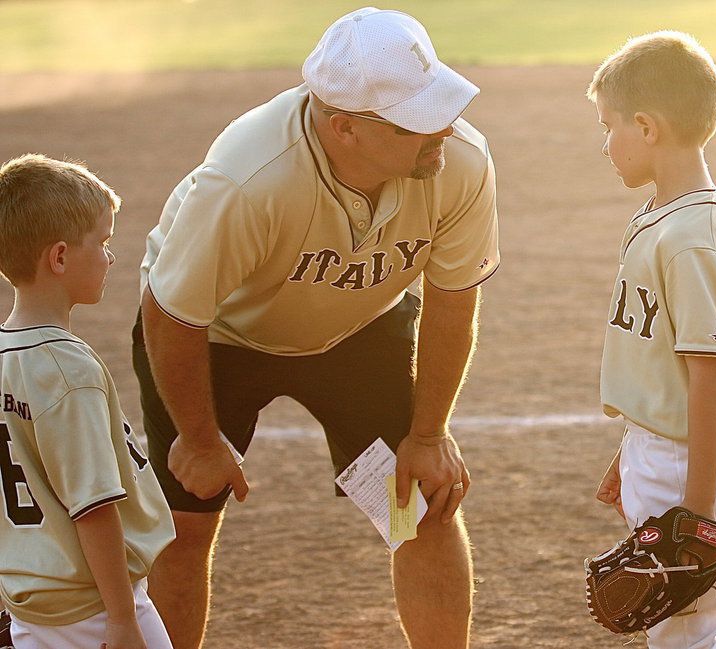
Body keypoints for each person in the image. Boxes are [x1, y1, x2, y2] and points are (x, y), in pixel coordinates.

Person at [133, 7, 499, 649]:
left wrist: (428, 433)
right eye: (418, 118)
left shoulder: (459, 161)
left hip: (358, 330)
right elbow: (171, 311)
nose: (442, 126)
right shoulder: (250, 179)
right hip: (219, 338)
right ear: (345, 128)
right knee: (186, 523)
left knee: (422, 507)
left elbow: (451, 300)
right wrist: (197, 437)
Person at [587, 32, 716, 649]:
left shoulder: (691, 237)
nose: (605, 144)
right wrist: (629, 449)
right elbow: (662, 365)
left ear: (647, 127)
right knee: (672, 624)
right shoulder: (666, 218)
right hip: (662, 446)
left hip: (688, 457)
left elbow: (709, 375)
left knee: (686, 627)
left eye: (610, 127)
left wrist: (698, 514)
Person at [0, 154, 176, 649]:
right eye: (102, 243)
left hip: (31, 604)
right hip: (95, 606)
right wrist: (121, 620)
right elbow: (93, 506)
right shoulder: (66, 369)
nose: (110, 257)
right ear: (58, 258)